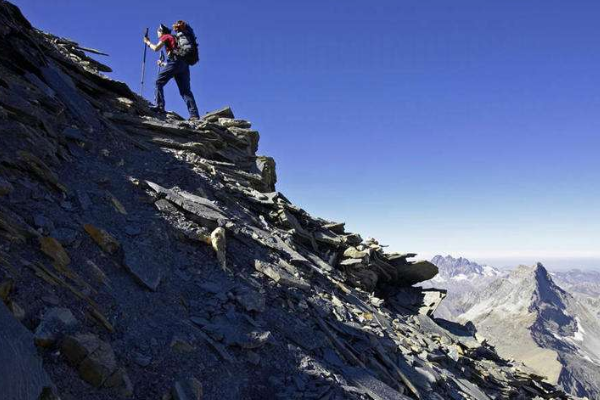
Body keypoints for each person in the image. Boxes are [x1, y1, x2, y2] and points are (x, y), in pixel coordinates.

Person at [143, 24, 199, 121]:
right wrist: (163, 64)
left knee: (158, 82)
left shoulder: (166, 36)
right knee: (185, 91)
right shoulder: (175, 38)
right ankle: (194, 115)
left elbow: (156, 48)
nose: (157, 32)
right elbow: (175, 65)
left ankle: (160, 106)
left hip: (175, 62)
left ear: (161, 31)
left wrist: (148, 42)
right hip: (184, 65)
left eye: (158, 31)